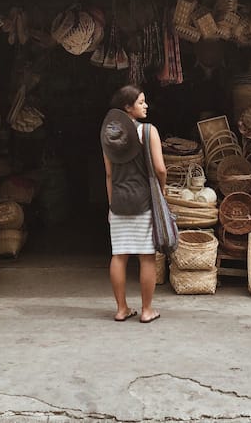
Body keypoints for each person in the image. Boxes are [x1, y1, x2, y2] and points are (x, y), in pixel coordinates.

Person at [100, 84, 166, 324]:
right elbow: (160, 168)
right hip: (142, 201)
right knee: (146, 257)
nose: (145, 105)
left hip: (118, 202)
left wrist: (111, 204)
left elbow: (108, 175)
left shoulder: (110, 137)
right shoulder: (148, 132)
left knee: (119, 255)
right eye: (141, 102)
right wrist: (162, 188)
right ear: (127, 107)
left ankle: (121, 309)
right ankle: (147, 310)